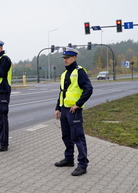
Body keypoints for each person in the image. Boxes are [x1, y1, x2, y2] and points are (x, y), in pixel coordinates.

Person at [54, 47, 93, 176]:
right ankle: (69, 159)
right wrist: (58, 108)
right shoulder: (64, 74)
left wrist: (78, 104)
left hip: (73, 111)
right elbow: (62, 93)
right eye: (64, 58)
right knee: (66, 136)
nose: (65, 60)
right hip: (64, 110)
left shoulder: (80, 72)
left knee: (78, 137)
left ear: (74, 58)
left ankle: (82, 165)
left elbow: (88, 89)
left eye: (68, 58)